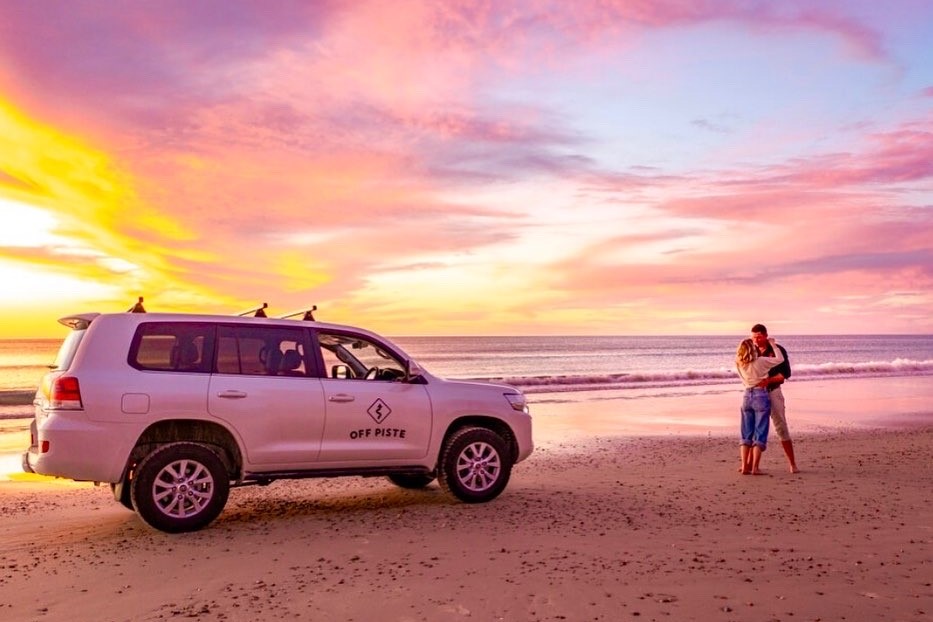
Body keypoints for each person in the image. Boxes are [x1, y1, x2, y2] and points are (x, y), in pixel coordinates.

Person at [751, 324, 799, 473]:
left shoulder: (777, 350)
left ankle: (792, 464)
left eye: (759, 337)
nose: (756, 340)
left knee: (781, 427)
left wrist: (768, 381)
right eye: (753, 337)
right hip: (756, 393)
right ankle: (752, 466)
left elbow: (785, 375)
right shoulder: (752, 351)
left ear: (766, 335)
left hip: (773, 392)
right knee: (755, 428)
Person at [735, 336, 784, 474]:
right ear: (753, 348)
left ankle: (745, 466)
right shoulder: (761, 361)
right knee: (760, 433)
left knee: (746, 434)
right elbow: (780, 359)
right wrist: (773, 345)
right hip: (760, 395)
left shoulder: (739, 363)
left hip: (746, 395)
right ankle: (755, 468)